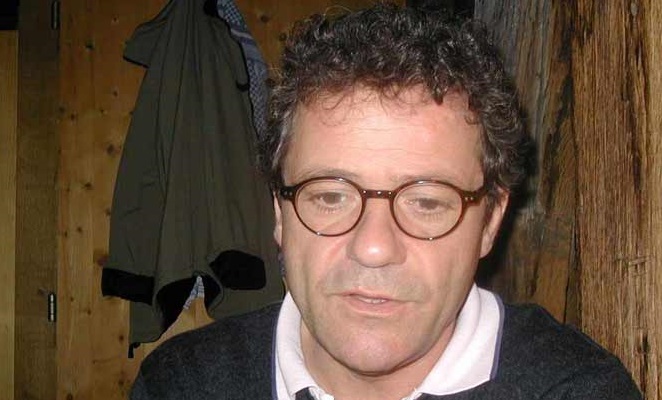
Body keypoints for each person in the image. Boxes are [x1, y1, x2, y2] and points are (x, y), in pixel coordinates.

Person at [130, 4, 642, 399]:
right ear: (280, 214)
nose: (373, 248)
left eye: (427, 202)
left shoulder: (578, 390)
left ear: (490, 221)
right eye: (330, 196)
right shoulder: (180, 385)